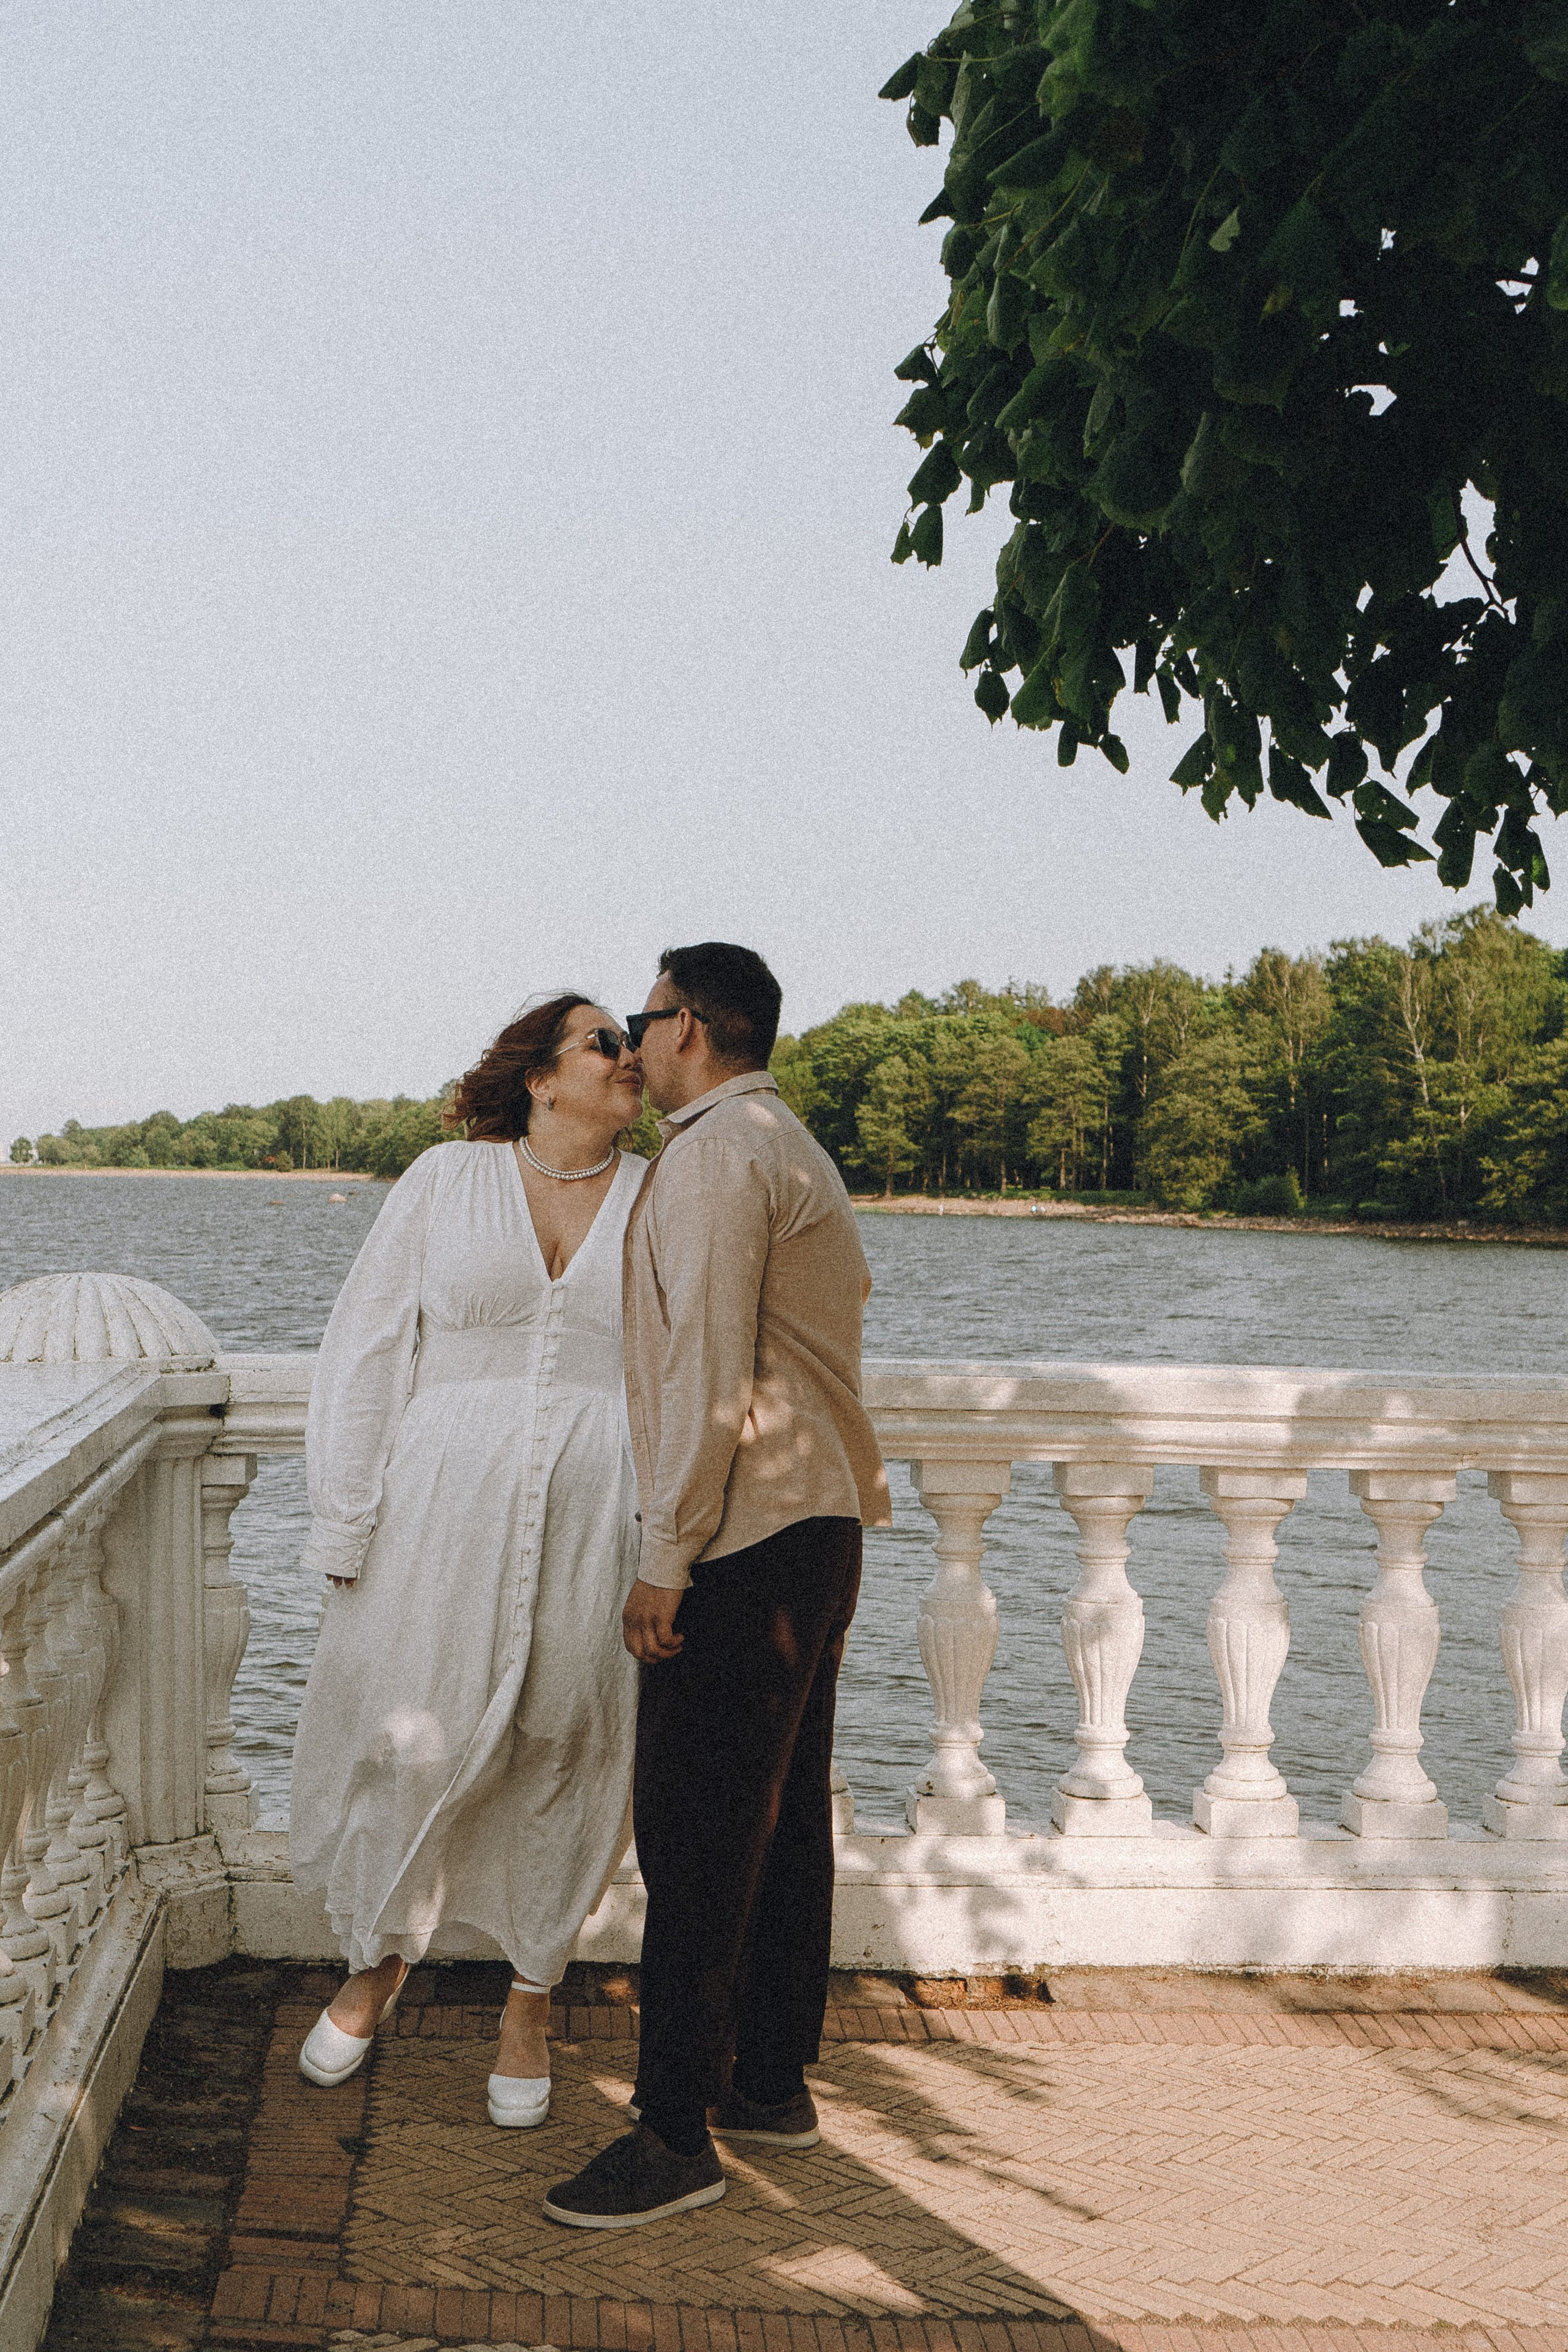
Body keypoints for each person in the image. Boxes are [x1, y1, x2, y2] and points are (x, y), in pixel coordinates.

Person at [543, 943, 890, 2230]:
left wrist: (660, 1558)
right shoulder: (784, 1141)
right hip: (815, 1526)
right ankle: (765, 2083)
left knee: (693, 1833)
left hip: (747, 1538)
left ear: (689, 1025)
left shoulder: (711, 1157)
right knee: (782, 1818)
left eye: (643, 1019)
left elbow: (705, 1375)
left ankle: (673, 2133)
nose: (633, 1043)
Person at [290, 995, 647, 2129]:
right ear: (541, 1076)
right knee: (407, 1735)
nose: (630, 1055)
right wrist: (345, 1517)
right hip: (436, 1509)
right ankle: (377, 1961)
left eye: (636, 1039)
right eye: (606, 1040)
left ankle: (531, 1999)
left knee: (567, 1740)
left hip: (602, 1510)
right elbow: (365, 1348)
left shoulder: (657, 1199)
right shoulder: (448, 1180)